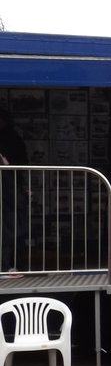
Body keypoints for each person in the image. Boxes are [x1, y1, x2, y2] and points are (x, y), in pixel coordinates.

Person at [0, 110, 28, 272]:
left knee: (10, 230)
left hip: (10, 189)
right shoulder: (13, 137)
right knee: (11, 230)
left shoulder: (10, 138)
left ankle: (8, 266)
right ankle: (9, 266)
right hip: (11, 189)